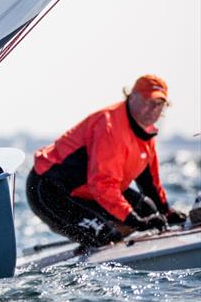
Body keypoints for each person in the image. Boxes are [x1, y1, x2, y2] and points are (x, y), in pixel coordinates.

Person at [26, 74, 187, 248]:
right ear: (132, 98)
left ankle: (104, 231)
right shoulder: (110, 126)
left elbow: (150, 183)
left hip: (87, 192)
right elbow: (102, 184)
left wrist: (166, 212)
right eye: (149, 102)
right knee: (107, 237)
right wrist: (135, 220)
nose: (153, 109)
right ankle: (101, 235)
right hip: (51, 190)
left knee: (149, 209)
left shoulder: (146, 135)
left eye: (159, 104)